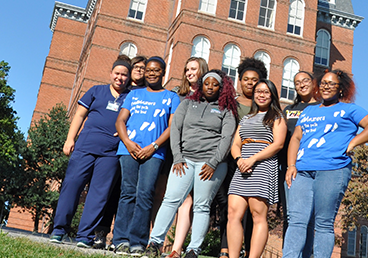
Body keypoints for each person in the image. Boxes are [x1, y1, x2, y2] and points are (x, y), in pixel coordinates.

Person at [282, 70, 368, 258]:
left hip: (333, 169)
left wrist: (353, 142)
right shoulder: (309, 110)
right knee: (296, 220)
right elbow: (296, 137)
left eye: (331, 84)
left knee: (323, 223)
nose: (326, 86)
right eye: (323, 83)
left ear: (341, 89)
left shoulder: (349, 109)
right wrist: (291, 165)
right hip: (302, 171)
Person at [144, 70, 238, 258]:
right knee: (170, 200)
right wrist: (178, 157)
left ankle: (193, 249)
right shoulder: (187, 103)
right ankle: (155, 242)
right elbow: (176, 129)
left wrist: (213, 162)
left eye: (215, 84)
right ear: (201, 85)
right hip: (184, 160)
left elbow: (227, 139)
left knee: (202, 205)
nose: (210, 87)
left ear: (222, 88)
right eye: (207, 83)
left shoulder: (226, 110)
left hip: (210, 164)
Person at [50, 56, 132, 248]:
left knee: (98, 195)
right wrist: (70, 139)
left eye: (124, 75)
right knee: (71, 187)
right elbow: (79, 114)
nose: (120, 78)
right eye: (117, 74)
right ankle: (59, 230)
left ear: (128, 78)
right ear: (111, 74)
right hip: (85, 148)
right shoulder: (96, 91)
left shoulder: (131, 97)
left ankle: (84, 236)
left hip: (111, 153)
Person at [111, 57, 180, 255]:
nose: (151, 73)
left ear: (163, 73)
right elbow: (120, 121)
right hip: (128, 150)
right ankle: (121, 240)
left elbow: (171, 126)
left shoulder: (171, 97)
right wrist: (128, 143)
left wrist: (154, 146)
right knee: (127, 193)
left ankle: (138, 241)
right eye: (149, 70)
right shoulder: (134, 94)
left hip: (155, 153)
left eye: (156, 70)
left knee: (145, 194)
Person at [227, 79, 286, 258]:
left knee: (258, 215)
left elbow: (278, 144)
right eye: (259, 91)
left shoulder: (277, 117)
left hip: (262, 167)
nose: (261, 95)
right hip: (242, 168)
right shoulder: (246, 118)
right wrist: (239, 160)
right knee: (233, 213)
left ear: (272, 95)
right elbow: (235, 144)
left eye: (266, 92)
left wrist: (252, 159)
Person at [167, 57, 209, 258]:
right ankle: (156, 242)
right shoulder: (179, 94)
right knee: (168, 197)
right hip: (175, 151)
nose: (189, 72)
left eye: (194, 69)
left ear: (203, 71)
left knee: (188, 201)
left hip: (198, 154)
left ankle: (177, 248)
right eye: (187, 69)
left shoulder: (210, 96)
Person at [279, 71, 318, 258]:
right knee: (292, 216)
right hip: (291, 167)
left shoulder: (322, 107)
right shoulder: (289, 110)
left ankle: (306, 254)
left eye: (305, 81)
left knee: (310, 218)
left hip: (316, 166)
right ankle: (289, 253)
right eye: (297, 83)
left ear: (313, 83)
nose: (301, 85)